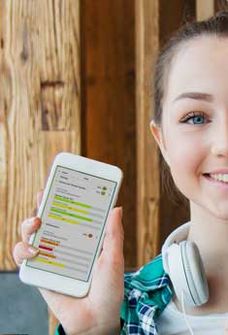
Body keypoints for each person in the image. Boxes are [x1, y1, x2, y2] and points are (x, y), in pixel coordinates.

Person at [13, 9, 228, 335]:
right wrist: (93, 331)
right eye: (196, 117)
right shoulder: (118, 310)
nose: (224, 143)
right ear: (163, 141)